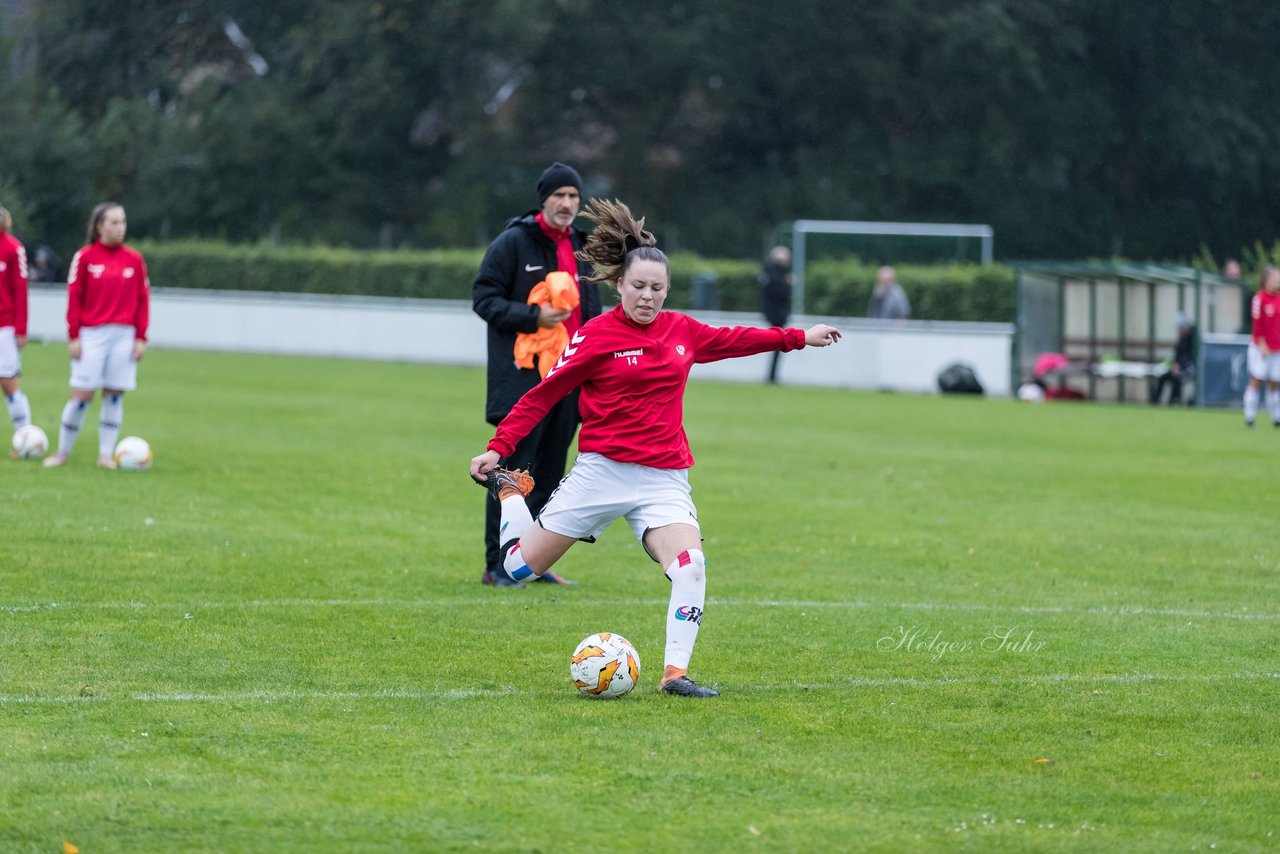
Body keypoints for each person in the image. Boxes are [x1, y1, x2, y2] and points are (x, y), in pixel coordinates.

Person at [468, 199, 842, 697]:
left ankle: (675, 675)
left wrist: (798, 338)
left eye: (657, 289)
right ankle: (513, 493)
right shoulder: (595, 335)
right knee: (516, 569)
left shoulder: (682, 331)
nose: (648, 297)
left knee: (691, 567)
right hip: (602, 473)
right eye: (639, 286)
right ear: (619, 284)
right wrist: (500, 446)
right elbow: (544, 393)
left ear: (667, 289)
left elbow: (738, 338)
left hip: (663, 478)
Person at [472, 162, 602, 586]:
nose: (567, 204)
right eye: (559, 196)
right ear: (542, 199)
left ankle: (531, 563)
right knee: (511, 474)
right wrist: (534, 317)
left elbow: (594, 314)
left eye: (573, 197)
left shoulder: (584, 247)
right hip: (525, 380)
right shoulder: (514, 242)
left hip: (569, 379)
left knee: (548, 476)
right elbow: (483, 298)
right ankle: (497, 565)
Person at [44, 202, 150, 468]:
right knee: (82, 395)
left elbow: (143, 300)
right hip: (91, 335)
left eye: (123, 222)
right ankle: (62, 453)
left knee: (114, 394)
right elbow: (74, 297)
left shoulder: (135, 259)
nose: (120, 227)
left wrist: (140, 338)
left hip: (123, 336)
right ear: (99, 226)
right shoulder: (85, 257)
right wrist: (74, 336)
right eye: (114, 222)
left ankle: (105, 455)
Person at [0, 205, 35, 443]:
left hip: (5, 325)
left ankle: (26, 437)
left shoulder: (13, 248)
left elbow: (20, 290)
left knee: (8, 381)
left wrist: (21, 329)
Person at [1243, 265, 1280, 428]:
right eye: (1274, 279)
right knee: (1257, 379)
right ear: (1265, 280)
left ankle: (1276, 417)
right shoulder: (1259, 298)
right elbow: (1257, 324)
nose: (1277, 282)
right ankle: (1249, 417)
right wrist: (1262, 344)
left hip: (1277, 348)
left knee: (1274, 382)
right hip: (1261, 348)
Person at [758, 246, 792, 383]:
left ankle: (772, 375)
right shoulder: (777, 276)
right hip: (777, 314)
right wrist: (787, 283)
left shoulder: (767, 273)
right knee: (777, 344)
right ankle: (772, 376)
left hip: (772, 313)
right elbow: (780, 294)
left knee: (777, 345)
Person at [1151, 313, 1196, 405]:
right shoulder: (1181, 340)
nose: (1179, 330)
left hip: (1188, 369)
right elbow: (1177, 356)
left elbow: (1190, 358)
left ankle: (1173, 402)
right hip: (1178, 368)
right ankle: (1155, 402)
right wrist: (1175, 366)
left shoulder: (1192, 340)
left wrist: (1180, 367)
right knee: (1162, 377)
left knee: (1177, 378)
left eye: (1181, 328)